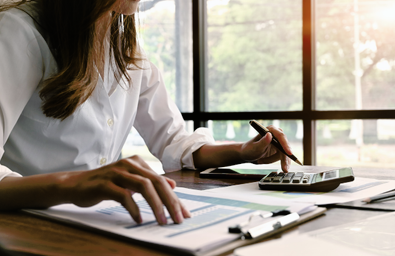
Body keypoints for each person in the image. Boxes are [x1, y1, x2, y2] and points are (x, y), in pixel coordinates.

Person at [0, 0, 293, 226]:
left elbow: (174, 141)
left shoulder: (123, 43)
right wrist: (72, 184)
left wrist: (243, 150)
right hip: (27, 228)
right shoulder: (16, 32)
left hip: (99, 224)